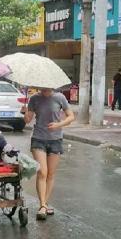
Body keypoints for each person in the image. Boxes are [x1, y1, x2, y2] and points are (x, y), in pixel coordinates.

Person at [21, 88, 75, 221]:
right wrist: (24, 112)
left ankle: (44, 203)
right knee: (42, 172)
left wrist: (59, 124)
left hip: (56, 140)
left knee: (50, 174)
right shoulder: (34, 99)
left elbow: (71, 116)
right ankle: (43, 205)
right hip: (38, 138)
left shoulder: (60, 97)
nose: (44, 88)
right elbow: (28, 120)